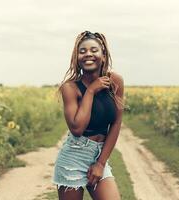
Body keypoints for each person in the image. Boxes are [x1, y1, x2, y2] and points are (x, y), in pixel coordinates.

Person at [52, 30, 125, 200]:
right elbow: (77, 128)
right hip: (73, 156)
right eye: (82, 51)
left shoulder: (115, 81)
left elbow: (116, 123)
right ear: (77, 58)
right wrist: (91, 90)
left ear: (104, 55)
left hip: (99, 154)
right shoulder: (70, 88)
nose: (88, 54)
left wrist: (100, 163)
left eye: (94, 50)